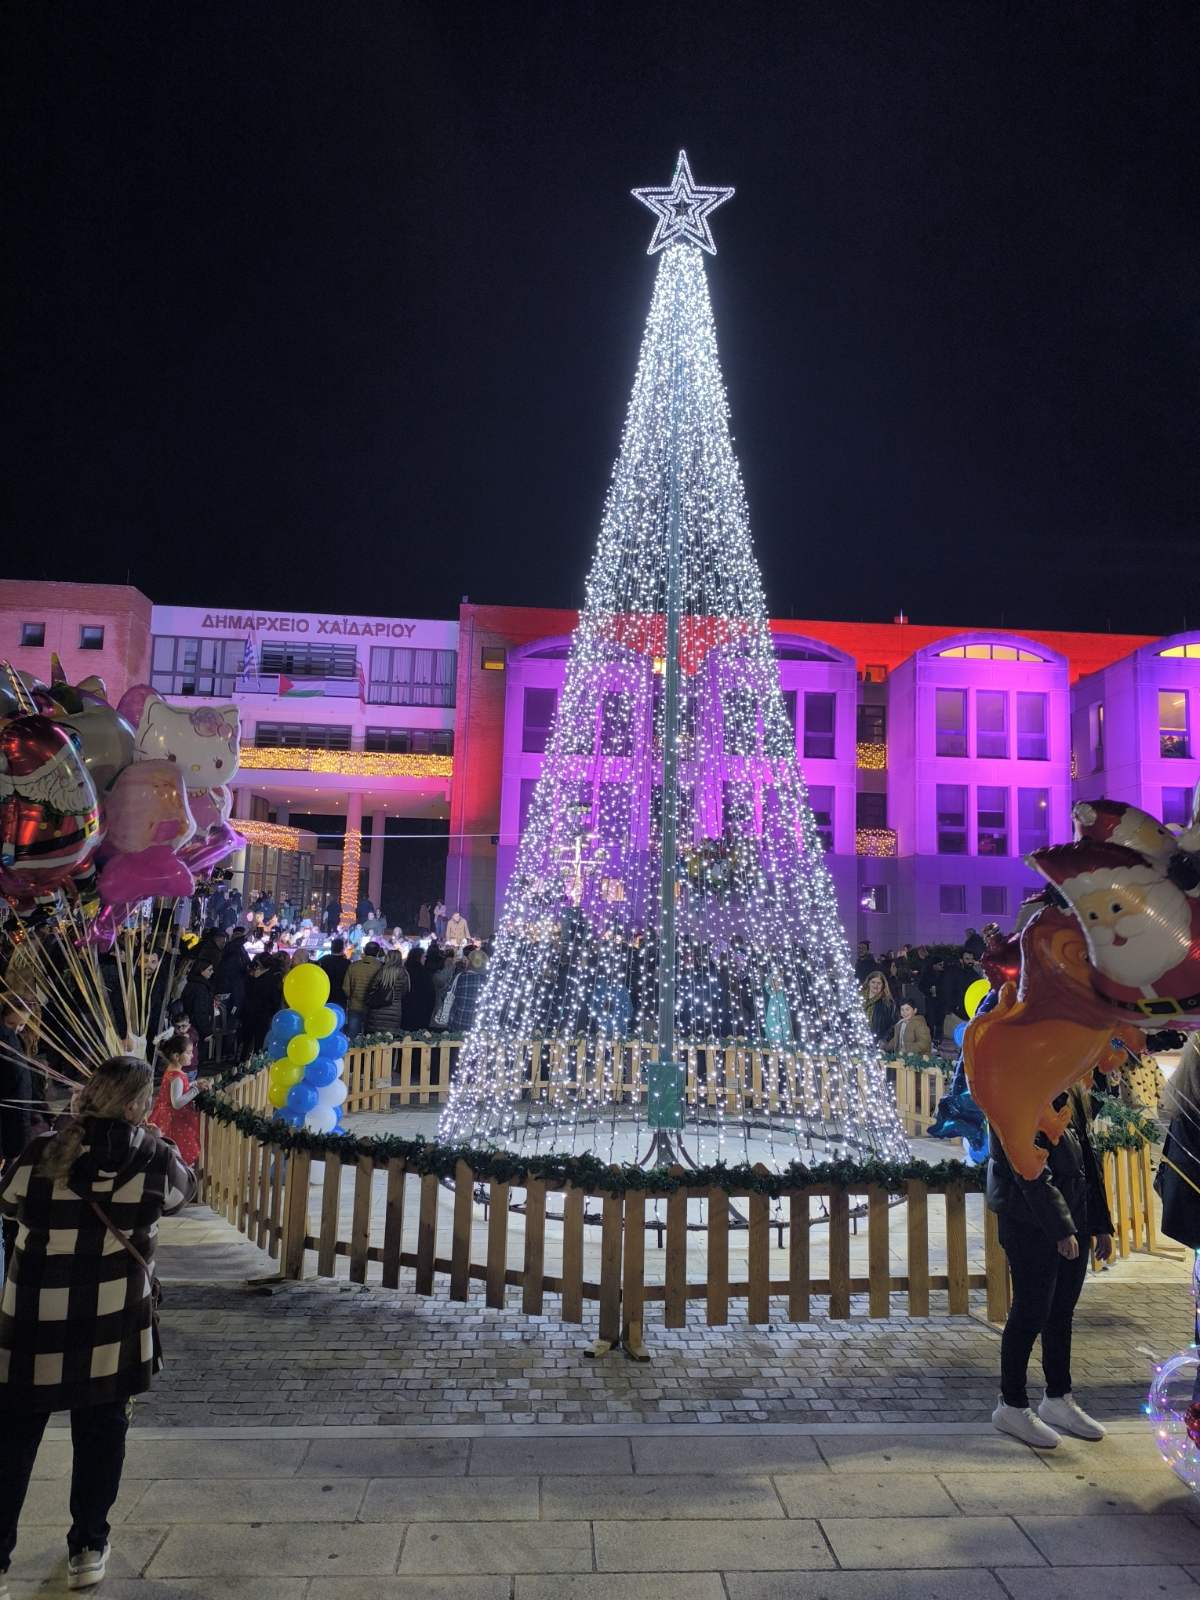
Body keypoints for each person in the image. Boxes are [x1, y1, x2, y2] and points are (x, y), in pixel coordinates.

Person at [0, 1056, 196, 1591]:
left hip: (35, 1317)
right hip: (112, 1320)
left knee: (13, 1441)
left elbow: (8, 1199)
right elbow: (185, 1195)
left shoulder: (42, 1151)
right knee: (101, 1434)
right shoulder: (155, 1157)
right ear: (137, 1105)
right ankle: (88, 1544)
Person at [988, 1083, 1114, 1448]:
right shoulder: (1017, 1083)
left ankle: (1058, 1397)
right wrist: (1060, 1228)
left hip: (1072, 1217)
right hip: (1028, 1220)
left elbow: (1086, 1161)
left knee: (1061, 1312)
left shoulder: (1071, 1086)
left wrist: (1099, 1223)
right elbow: (1025, 1166)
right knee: (1030, 1311)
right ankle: (1011, 1404)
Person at [148, 1033, 211, 1168]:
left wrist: (194, 1084)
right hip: (175, 1121)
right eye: (188, 1053)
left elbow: (180, 1089)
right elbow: (176, 1103)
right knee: (180, 1151)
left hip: (165, 1115)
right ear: (177, 1056)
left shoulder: (172, 1070)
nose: (192, 1056)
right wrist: (196, 1090)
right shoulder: (177, 1075)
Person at [364, 949, 411, 1037]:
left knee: (375, 1041)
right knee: (390, 1041)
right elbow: (405, 992)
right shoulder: (404, 973)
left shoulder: (382, 971)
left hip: (378, 1010)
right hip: (395, 1011)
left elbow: (372, 988)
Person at [343, 942, 384, 1042]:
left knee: (352, 1037)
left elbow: (345, 987)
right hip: (373, 1008)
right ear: (378, 953)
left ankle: (351, 1056)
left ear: (364, 951)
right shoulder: (381, 967)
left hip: (355, 1006)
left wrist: (352, 997)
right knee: (370, 1039)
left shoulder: (354, 966)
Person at [177, 959, 215, 1055]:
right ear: (201, 971)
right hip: (198, 1028)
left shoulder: (191, 984)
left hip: (190, 1024)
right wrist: (206, 1031)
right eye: (209, 970)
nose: (212, 972)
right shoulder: (201, 988)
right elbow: (200, 1011)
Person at [448, 947, 487, 1032]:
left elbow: (447, 995)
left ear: (470, 962)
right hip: (480, 1027)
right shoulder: (489, 981)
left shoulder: (461, 977)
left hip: (459, 1023)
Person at [401, 944, 435, 1031]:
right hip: (421, 1011)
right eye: (424, 956)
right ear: (418, 957)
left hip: (405, 1011)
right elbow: (431, 994)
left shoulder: (404, 971)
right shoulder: (424, 973)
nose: (425, 959)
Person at [860, 971, 897, 1043]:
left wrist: (884, 1040)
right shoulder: (858, 999)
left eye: (879, 983)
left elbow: (893, 1025)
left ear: (883, 985)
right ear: (868, 983)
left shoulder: (888, 1003)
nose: (875, 985)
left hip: (876, 1042)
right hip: (857, 1039)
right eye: (873, 982)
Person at [764, 970, 793, 1046]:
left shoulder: (785, 997)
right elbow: (769, 1019)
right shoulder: (769, 998)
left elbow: (787, 1018)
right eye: (774, 981)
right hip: (772, 1036)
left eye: (779, 981)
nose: (777, 983)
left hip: (785, 1036)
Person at [318, 936, 350, 1004]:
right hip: (341, 996)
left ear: (331, 948)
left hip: (325, 994)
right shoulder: (347, 963)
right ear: (343, 949)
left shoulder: (323, 960)